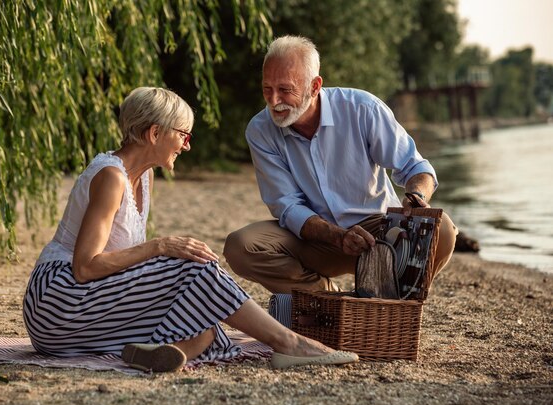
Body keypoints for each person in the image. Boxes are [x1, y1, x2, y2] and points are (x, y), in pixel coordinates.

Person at [23, 86, 358, 372]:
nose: (187, 146)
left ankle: (157, 355)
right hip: (57, 301)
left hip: (91, 301)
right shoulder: (111, 178)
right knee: (190, 265)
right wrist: (159, 247)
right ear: (155, 134)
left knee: (205, 326)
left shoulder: (143, 176)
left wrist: (163, 256)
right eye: (183, 135)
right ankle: (288, 342)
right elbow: (85, 267)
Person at [224, 35, 458, 294]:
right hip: (315, 237)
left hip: (380, 233)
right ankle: (325, 295)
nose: (274, 100)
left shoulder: (363, 109)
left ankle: (395, 300)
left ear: (314, 87)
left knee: (443, 229)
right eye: (267, 88)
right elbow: (287, 206)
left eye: (285, 89)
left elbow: (416, 168)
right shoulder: (260, 130)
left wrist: (415, 197)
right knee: (240, 246)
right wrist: (336, 236)